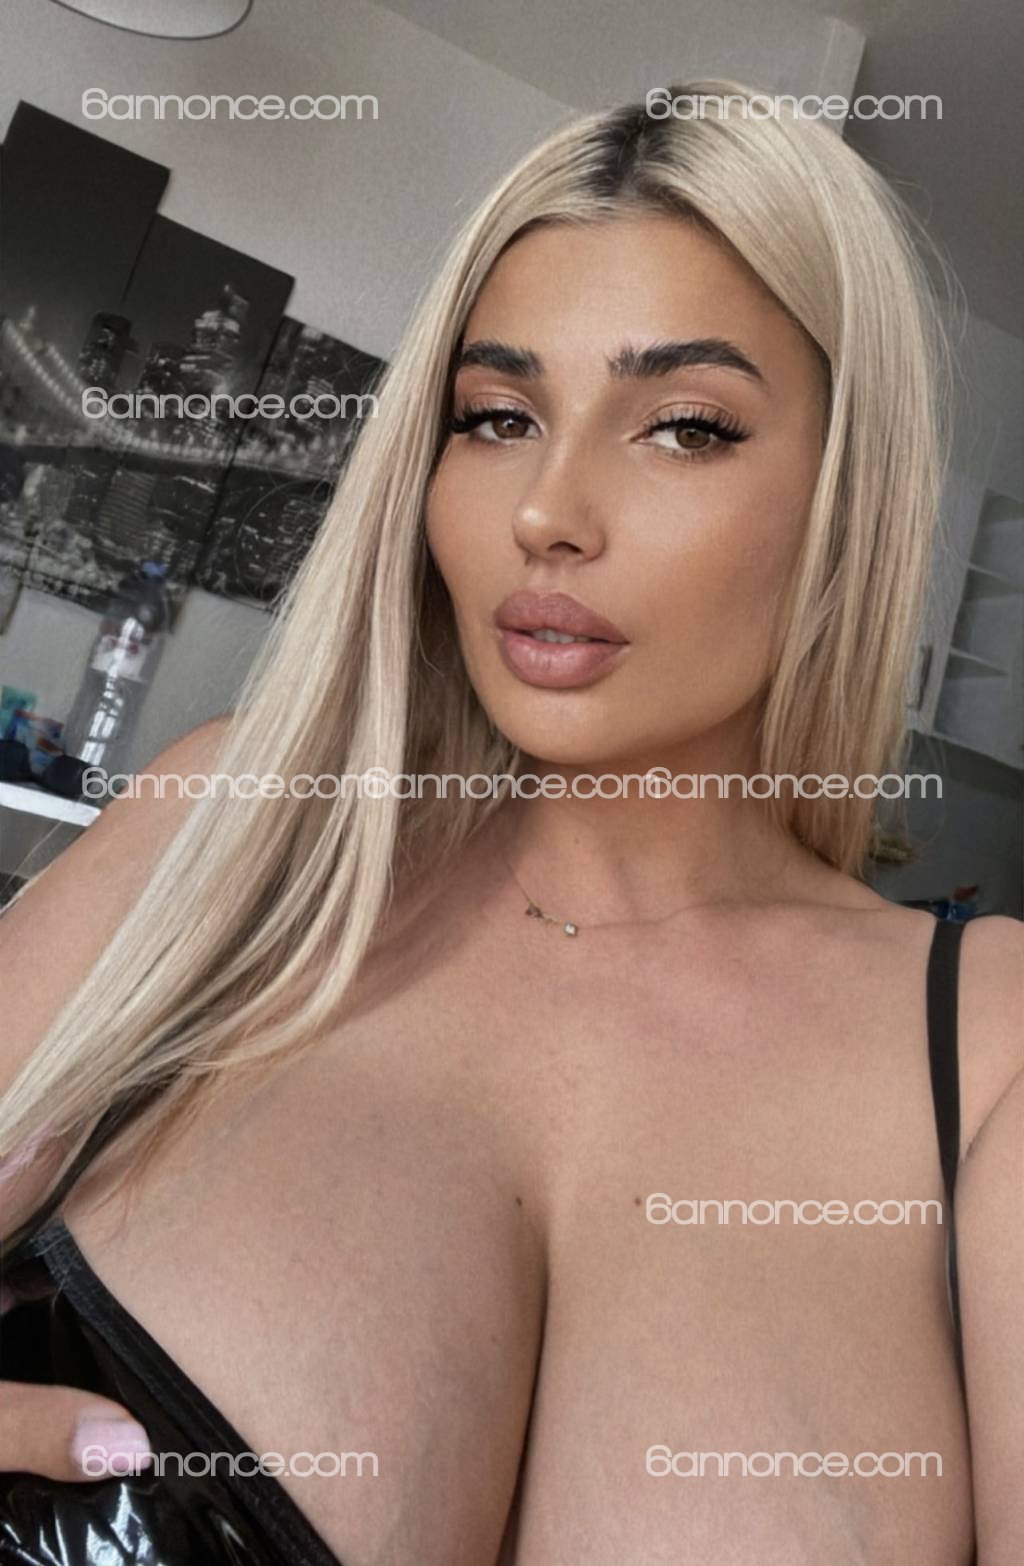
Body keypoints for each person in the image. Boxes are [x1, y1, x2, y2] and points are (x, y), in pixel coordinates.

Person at [0, 80, 1020, 1565]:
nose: (548, 510)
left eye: (684, 427)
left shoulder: (988, 1051)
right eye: (498, 416)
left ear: (848, 496)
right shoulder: (232, 833)